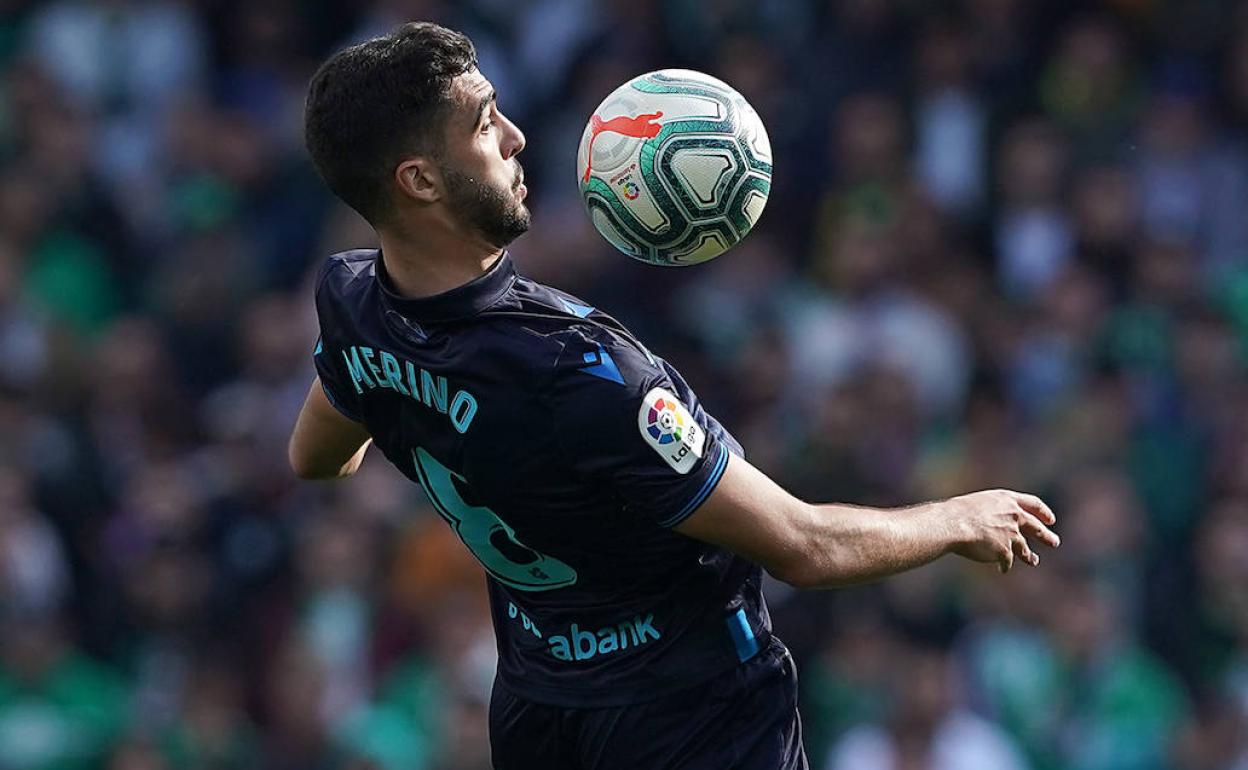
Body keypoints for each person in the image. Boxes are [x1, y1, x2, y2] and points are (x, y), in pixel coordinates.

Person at [288, 22, 1061, 770]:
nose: (518, 137)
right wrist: (956, 519)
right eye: (486, 125)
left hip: (539, 711)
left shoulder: (353, 307)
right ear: (420, 180)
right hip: (692, 719)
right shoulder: (582, 371)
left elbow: (317, 459)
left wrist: (434, 416)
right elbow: (804, 547)